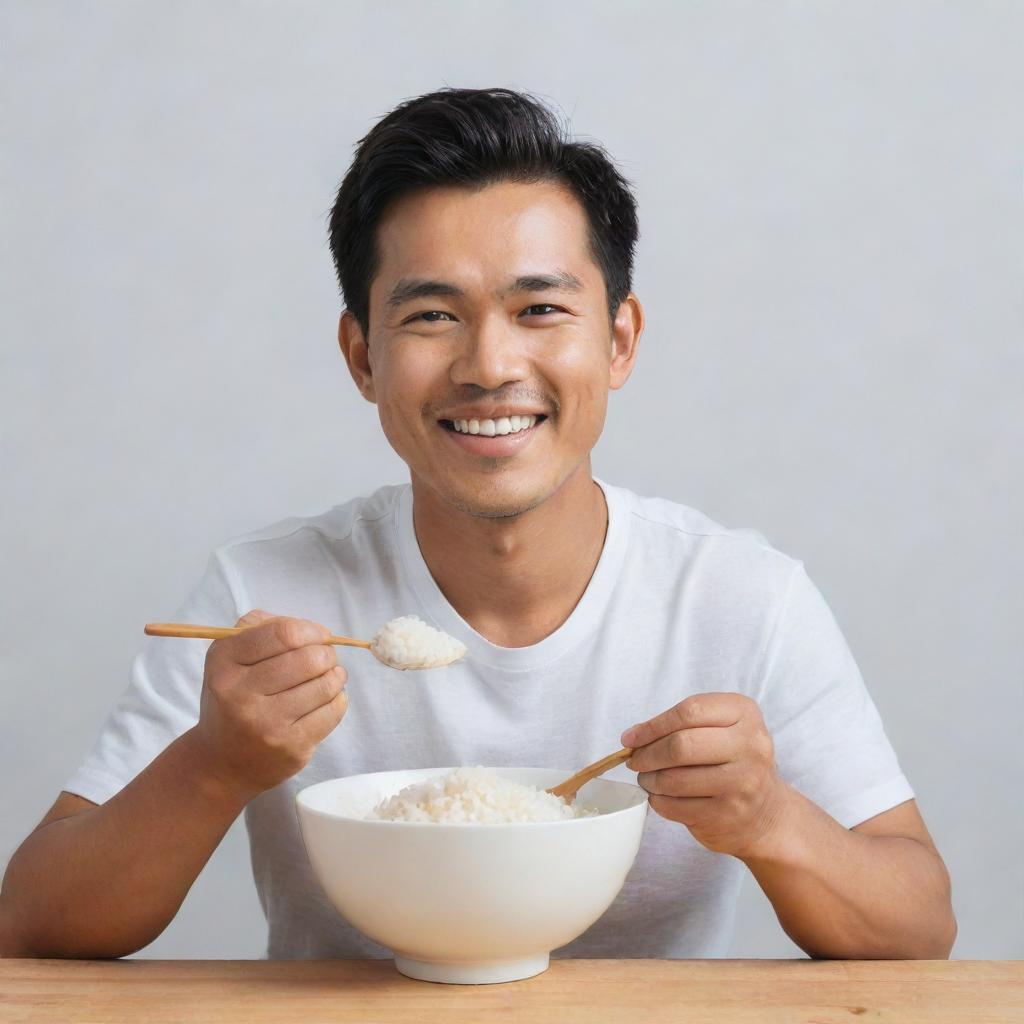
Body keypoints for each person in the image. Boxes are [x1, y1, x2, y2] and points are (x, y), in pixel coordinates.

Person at [0, 87, 956, 961]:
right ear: (361, 355)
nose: (490, 365)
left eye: (540, 307)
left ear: (618, 340)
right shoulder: (265, 598)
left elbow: (919, 930)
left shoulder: (743, 597)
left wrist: (772, 820)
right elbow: (32, 925)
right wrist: (212, 766)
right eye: (431, 317)